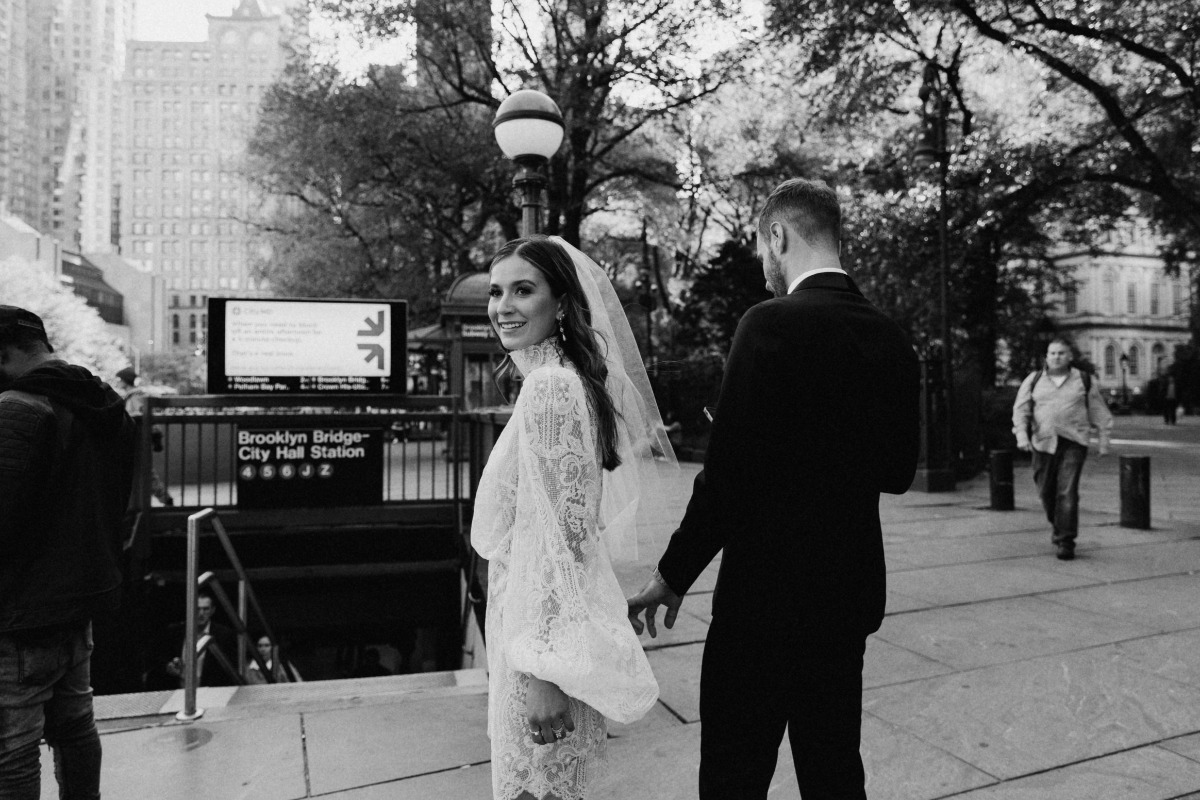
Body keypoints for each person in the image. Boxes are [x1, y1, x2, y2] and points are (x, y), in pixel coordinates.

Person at [627, 179, 921, 800]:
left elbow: (727, 480)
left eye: (762, 245)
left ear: (778, 235)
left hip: (764, 601)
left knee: (735, 776)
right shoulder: (891, 338)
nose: (762, 259)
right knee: (835, 770)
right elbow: (898, 472)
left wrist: (673, 574)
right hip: (846, 595)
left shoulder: (768, 325)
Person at [471, 235, 675, 800]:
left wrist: (542, 674)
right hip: (534, 632)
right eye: (495, 292)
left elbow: (563, 542)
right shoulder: (561, 380)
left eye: (523, 290)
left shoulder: (551, 389)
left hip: (539, 647)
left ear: (561, 303)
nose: (502, 306)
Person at [0, 305, 136, 799]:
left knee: (12, 746)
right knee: (75, 724)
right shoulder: (103, 406)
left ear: (5, 351)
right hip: (81, 598)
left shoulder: (17, 409)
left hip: (20, 610)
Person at [1012, 338, 1114, 560]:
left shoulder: (1084, 380)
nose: (1056, 357)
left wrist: (1103, 441)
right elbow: (1021, 410)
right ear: (1046, 357)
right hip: (1042, 442)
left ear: (1070, 356)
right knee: (1046, 492)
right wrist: (1021, 435)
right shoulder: (1034, 380)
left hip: (1074, 442)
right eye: (1052, 353)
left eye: (1061, 353)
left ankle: (1066, 541)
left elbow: (1099, 411)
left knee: (1067, 491)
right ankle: (1059, 527)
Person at [112, 366, 174, 506]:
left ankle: (162, 499)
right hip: (138, 440)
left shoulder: (134, 397)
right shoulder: (134, 396)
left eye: (119, 379)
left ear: (125, 381)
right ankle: (160, 499)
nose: (117, 382)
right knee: (144, 472)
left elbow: (140, 416)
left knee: (145, 472)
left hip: (138, 440)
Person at [152, 591, 237, 689]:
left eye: (206, 609)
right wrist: (169, 666)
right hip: (178, 689)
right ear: (190, 609)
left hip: (210, 691)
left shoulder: (223, 635)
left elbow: (229, 669)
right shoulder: (175, 631)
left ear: (212, 610)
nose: (201, 613)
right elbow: (159, 657)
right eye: (197, 609)